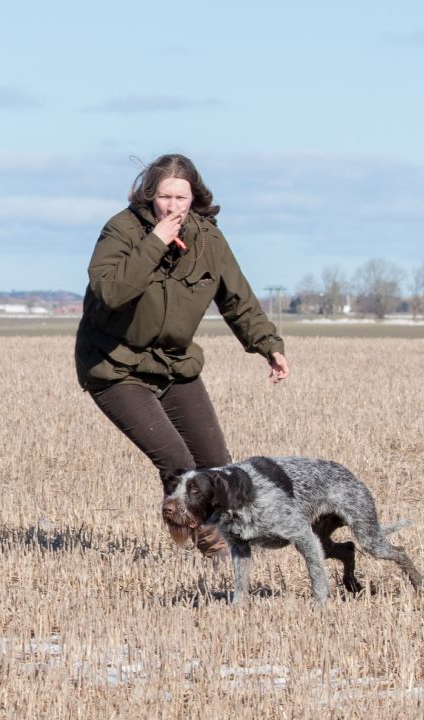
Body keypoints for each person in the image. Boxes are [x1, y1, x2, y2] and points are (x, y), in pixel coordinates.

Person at [74, 153, 289, 557]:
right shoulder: (121, 230)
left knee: (217, 464)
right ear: (149, 196)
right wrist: (155, 242)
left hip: (173, 361)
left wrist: (268, 345)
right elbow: (112, 292)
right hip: (115, 364)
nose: (172, 206)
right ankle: (213, 545)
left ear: (194, 197)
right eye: (164, 197)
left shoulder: (208, 240)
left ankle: (228, 540)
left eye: (180, 197)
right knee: (177, 463)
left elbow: (238, 299)